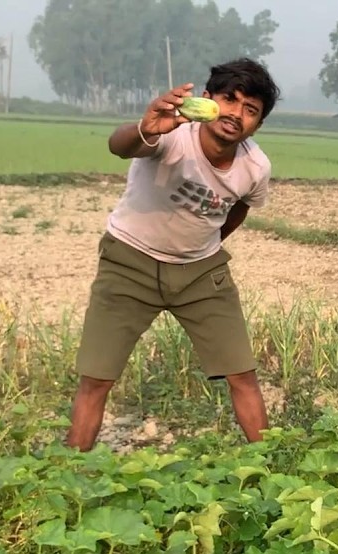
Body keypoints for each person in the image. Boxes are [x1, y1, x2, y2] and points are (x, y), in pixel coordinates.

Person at [66, 58, 280, 452]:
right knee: (96, 379)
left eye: (250, 110)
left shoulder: (255, 167)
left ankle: (271, 469)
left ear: (258, 124)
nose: (236, 114)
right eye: (229, 100)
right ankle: (65, 475)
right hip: (129, 263)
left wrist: (207, 242)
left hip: (200, 274)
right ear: (207, 99)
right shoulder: (173, 135)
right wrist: (144, 129)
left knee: (242, 375)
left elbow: (240, 207)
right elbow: (120, 146)